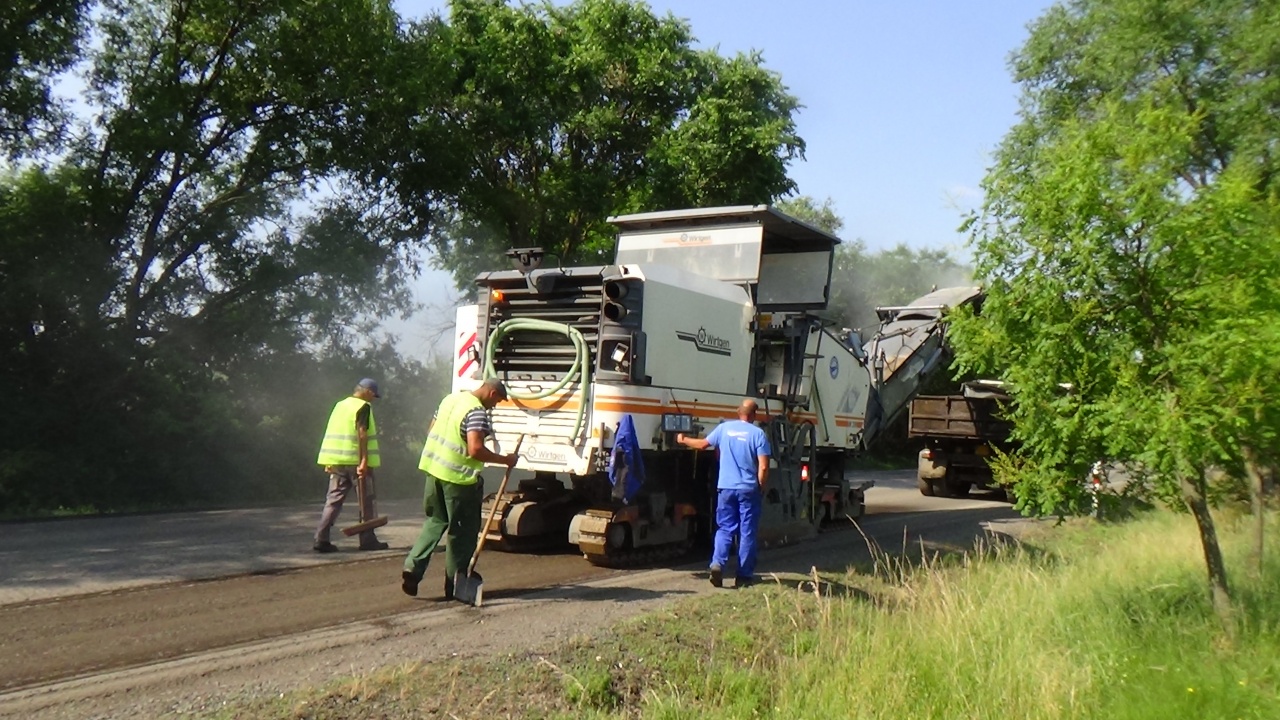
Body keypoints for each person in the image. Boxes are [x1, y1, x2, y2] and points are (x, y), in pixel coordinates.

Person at [401, 379, 518, 599]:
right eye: (497, 401)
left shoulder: (450, 399)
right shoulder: (476, 412)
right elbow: (475, 449)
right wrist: (505, 460)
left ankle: (412, 567)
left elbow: (431, 430)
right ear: (492, 393)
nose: (495, 406)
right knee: (461, 533)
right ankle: (455, 584)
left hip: (433, 471)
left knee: (435, 522)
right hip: (458, 481)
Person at [677, 399, 771, 588]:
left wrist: (683, 439)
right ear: (754, 415)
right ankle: (743, 577)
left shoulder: (724, 429)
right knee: (747, 533)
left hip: (726, 488)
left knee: (725, 528)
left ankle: (717, 564)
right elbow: (763, 466)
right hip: (748, 489)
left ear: (738, 412)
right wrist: (760, 486)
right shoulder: (759, 434)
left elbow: (703, 444)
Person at [313, 378, 389, 552]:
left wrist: (328, 461)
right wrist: (363, 461)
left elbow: (332, 431)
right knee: (366, 501)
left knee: (332, 501)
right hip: (357, 464)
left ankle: (321, 539)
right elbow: (361, 434)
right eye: (373, 396)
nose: (373, 400)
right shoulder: (363, 407)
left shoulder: (339, 406)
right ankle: (367, 540)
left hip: (337, 462)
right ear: (368, 392)